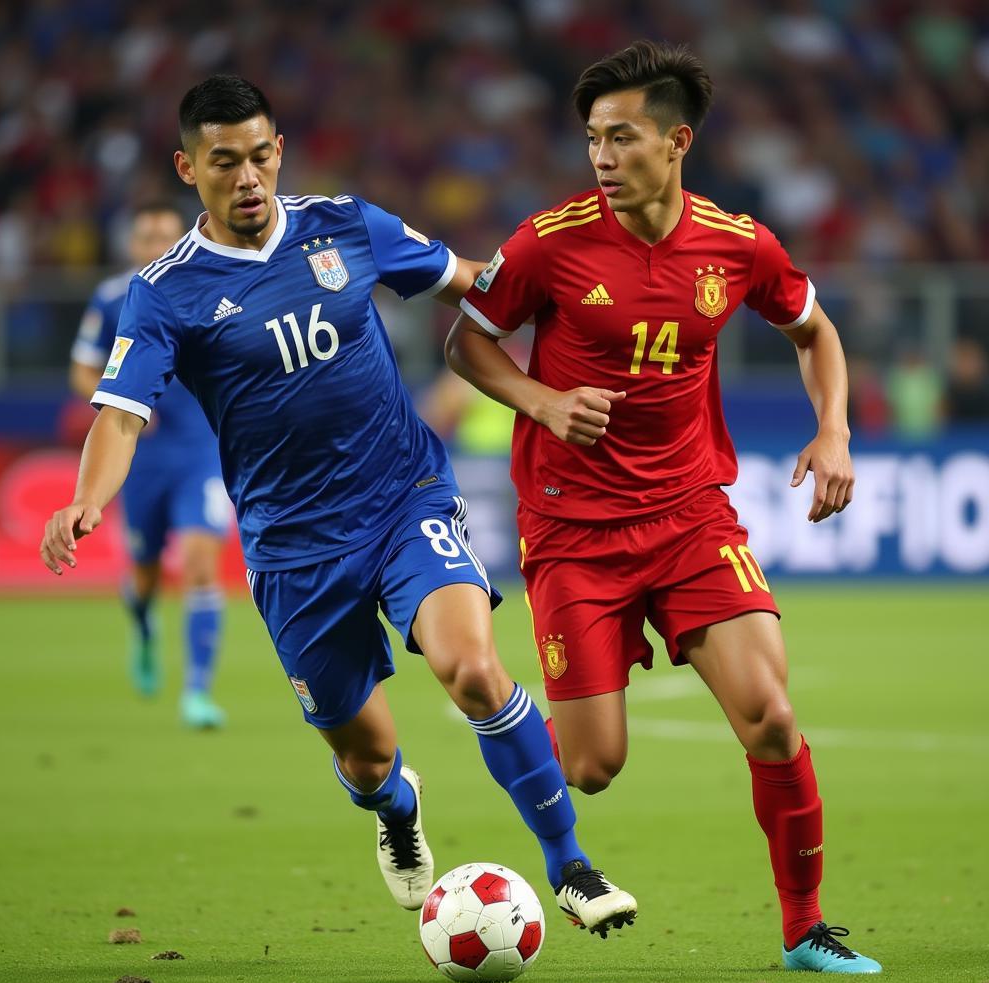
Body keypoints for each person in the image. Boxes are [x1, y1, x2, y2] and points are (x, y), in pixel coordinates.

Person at [40, 74, 636, 935]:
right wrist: (85, 500)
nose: (247, 177)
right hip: (293, 549)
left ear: (278, 152)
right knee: (366, 758)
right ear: (187, 168)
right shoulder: (165, 291)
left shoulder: (345, 224)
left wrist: (568, 302)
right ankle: (398, 810)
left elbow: (465, 281)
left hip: (403, 497)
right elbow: (120, 414)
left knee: (473, 667)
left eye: (258, 157)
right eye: (223, 163)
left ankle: (571, 865)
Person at [446, 41, 882, 973]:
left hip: (691, 516)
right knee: (592, 767)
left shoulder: (738, 243)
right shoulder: (548, 242)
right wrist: (543, 402)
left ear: (677, 141)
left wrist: (834, 429)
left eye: (623, 137)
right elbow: (466, 345)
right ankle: (505, 717)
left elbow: (815, 330)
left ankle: (804, 928)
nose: (602, 156)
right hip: (573, 532)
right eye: (593, 138)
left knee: (769, 714)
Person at [69, 201, 230, 728]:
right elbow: (83, 366)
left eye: (167, 234)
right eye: (148, 237)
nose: (158, 245)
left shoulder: (210, 286)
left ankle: (198, 692)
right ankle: (142, 623)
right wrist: (122, 403)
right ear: (133, 246)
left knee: (203, 562)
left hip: (201, 450)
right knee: (145, 576)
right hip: (138, 457)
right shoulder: (115, 297)